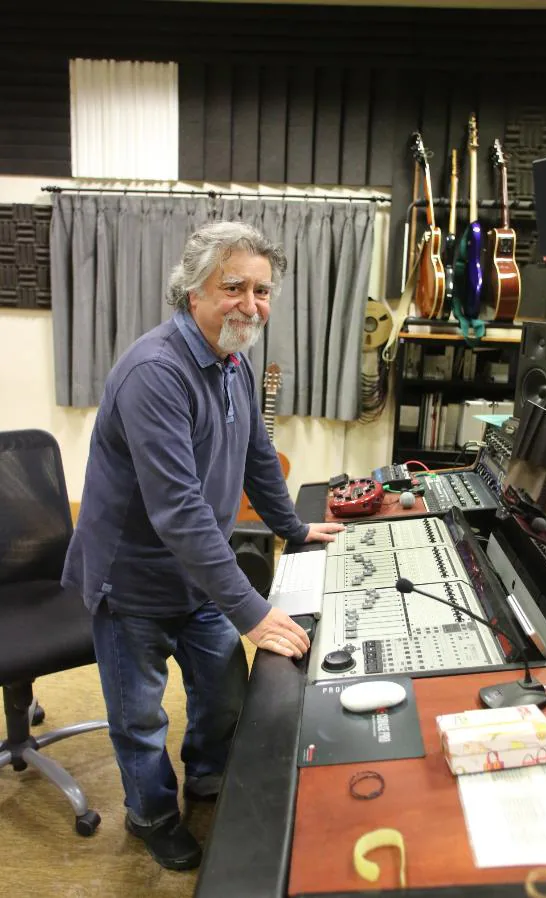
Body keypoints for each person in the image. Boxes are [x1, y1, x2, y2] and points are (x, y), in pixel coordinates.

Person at [62, 221, 344, 871]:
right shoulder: (154, 373)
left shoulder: (232, 363)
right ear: (193, 292)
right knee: (140, 720)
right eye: (234, 287)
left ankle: (211, 779)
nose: (251, 304)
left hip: (199, 575)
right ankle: (151, 814)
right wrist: (253, 611)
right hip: (132, 581)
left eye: (263, 290)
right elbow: (180, 512)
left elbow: (257, 461)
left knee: (223, 695)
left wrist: (294, 529)